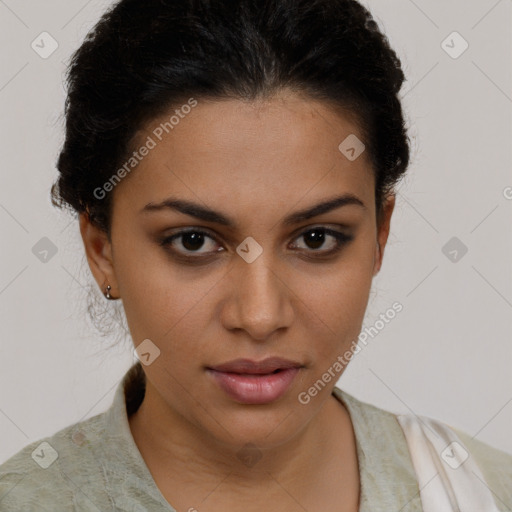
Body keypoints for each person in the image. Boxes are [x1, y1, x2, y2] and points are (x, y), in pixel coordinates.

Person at [1, 0, 511, 510]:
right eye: (193, 241)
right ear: (101, 249)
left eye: (317, 238)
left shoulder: (480, 492)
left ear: (380, 234)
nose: (261, 316)